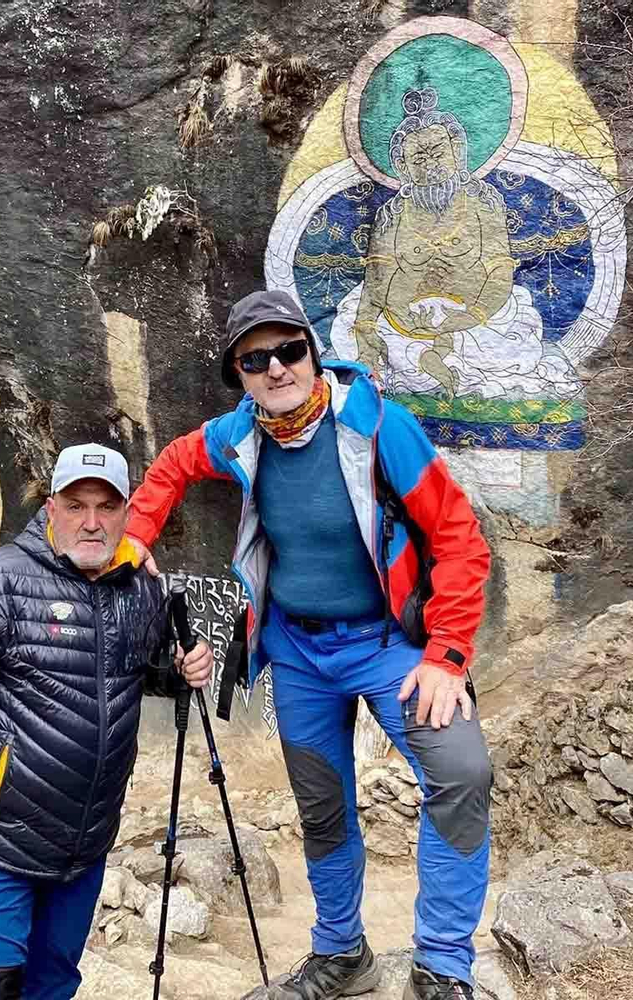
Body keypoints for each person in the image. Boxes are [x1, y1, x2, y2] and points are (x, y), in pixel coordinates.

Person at [123, 289, 495, 1000]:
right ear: (239, 373)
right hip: (298, 651)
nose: (276, 368)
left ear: (311, 351)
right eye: (254, 359)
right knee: (322, 805)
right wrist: (137, 532)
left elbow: (458, 539)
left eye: (288, 350)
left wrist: (447, 654)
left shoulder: (381, 427)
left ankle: (443, 964)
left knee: (461, 771)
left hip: (389, 645)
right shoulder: (240, 434)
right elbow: (173, 462)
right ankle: (341, 955)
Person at [0, 443, 213, 1000]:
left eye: (107, 507)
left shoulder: (139, 590)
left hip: (82, 850)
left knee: (53, 987)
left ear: (126, 512)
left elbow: (144, 670)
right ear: (51, 506)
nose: (92, 522)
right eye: (76, 505)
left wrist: (185, 665)